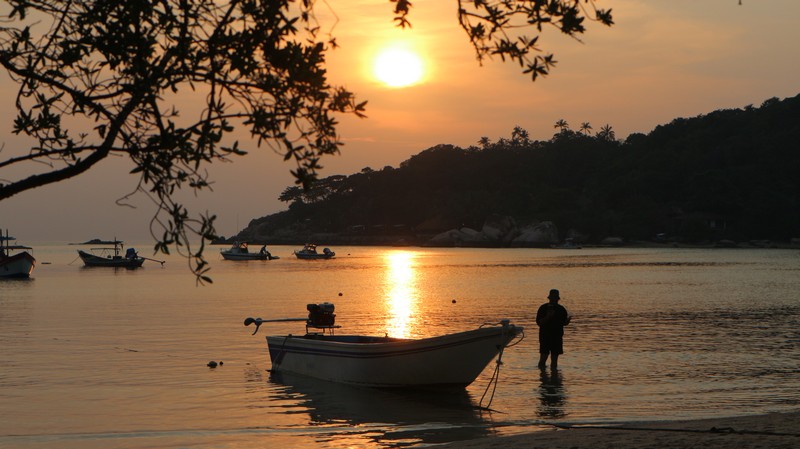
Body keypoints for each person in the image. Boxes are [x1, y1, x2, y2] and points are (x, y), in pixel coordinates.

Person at [536, 288, 571, 370]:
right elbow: (539, 323)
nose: (554, 299)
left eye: (555, 297)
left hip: (557, 337)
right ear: (549, 298)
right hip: (545, 337)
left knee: (554, 361)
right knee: (543, 358)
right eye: (552, 297)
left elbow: (563, 323)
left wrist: (567, 321)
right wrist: (548, 316)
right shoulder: (543, 308)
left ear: (558, 298)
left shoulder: (561, 309)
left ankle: (554, 378)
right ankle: (542, 376)